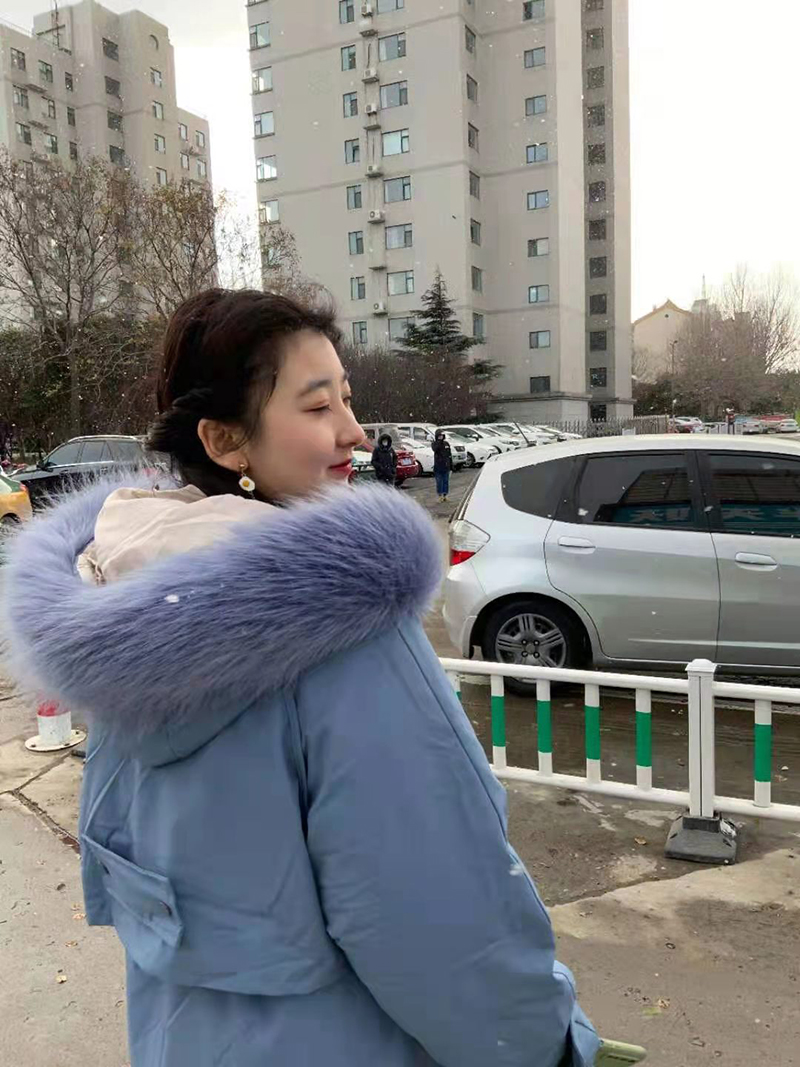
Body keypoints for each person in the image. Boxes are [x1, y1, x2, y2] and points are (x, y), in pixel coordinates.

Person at [4, 288, 599, 1067]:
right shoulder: (347, 631)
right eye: (318, 406)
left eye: (347, 398)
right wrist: (548, 1046)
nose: (355, 431)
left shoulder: (123, 603)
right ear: (225, 440)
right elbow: (438, 920)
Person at [432, 429, 453, 502]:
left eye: (442, 435)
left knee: (446, 481)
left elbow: (449, 455)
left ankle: (445, 495)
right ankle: (440, 495)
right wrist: (439, 441)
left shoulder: (446, 444)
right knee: (439, 482)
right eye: (439, 436)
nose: (441, 437)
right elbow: (435, 449)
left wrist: (451, 466)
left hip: (446, 466)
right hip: (438, 467)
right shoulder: (434, 443)